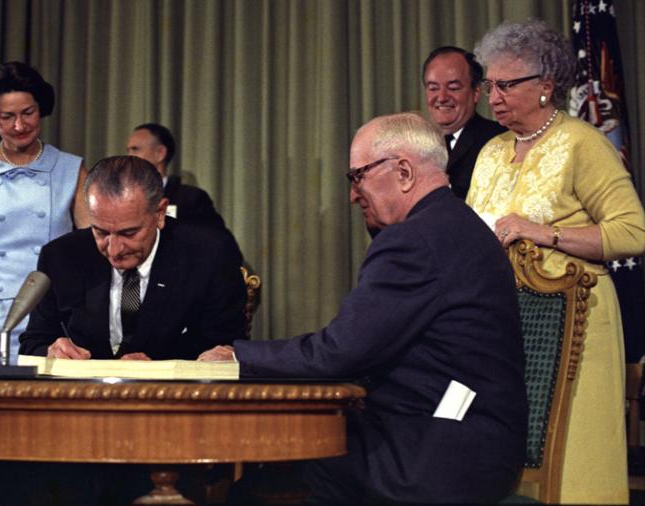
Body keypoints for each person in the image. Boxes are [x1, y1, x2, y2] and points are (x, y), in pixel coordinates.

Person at [200, 112, 527, 504]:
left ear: (403, 172)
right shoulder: (457, 224)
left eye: (358, 176)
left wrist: (239, 358)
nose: (353, 195)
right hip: (474, 446)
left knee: (274, 473)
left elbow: (340, 352)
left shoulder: (415, 240)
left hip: (437, 452)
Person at [466, 19, 645, 503]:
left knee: (576, 462)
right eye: (489, 85)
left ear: (546, 85)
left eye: (506, 85)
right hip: (507, 328)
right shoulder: (490, 152)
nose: (493, 97)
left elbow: (633, 231)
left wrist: (545, 233)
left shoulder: (583, 143)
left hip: (577, 326)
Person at [19, 155, 246, 360]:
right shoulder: (60, 257)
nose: (114, 250)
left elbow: (226, 347)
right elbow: (33, 343)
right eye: (101, 232)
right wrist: (52, 351)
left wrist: (158, 369)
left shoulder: (209, 256)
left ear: (160, 213)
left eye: (128, 233)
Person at [0, 61, 89, 364]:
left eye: (28, 113)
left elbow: (94, 246)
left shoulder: (70, 169)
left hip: (55, 319)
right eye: (7, 117)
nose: (19, 126)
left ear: (41, 109)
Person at [422, 46, 505, 200]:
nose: (442, 97)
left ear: (476, 92)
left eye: (453, 88)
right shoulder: (417, 145)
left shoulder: (499, 141)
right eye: (433, 88)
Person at [126, 123, 227, 229]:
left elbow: (215, 237)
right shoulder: (123, 196)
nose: (129, 156)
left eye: (135, 149)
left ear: (160, 153)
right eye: (128, 150)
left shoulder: (190, 199)